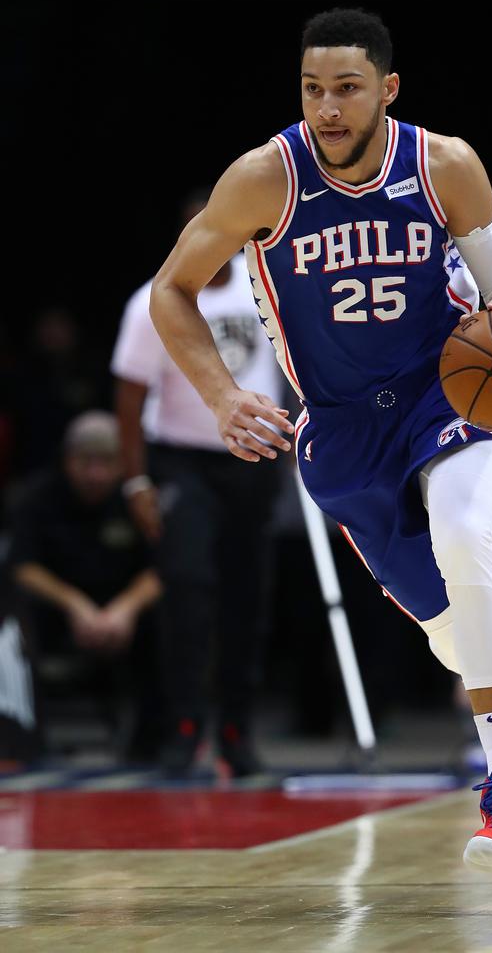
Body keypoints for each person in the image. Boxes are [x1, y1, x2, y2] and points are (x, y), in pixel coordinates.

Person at [149, 7, 492, 877]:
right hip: (340, 427)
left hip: (447, 389)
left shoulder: (444, 164)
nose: (327, 108)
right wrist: (222, 397)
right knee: (449, 630)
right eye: (312, 89)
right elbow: (170, 292)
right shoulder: (264, 178)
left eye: (346, 89)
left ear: (388, 90)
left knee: (462, 534)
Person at [112, 190, 283, 777]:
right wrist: (136, 482)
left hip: (254, 460)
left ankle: (237, 734)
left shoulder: (262, 286)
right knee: (186, 590)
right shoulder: (152, 303)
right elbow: (129, 398)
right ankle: (183, 731)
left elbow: (295, 364)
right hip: (181, 460)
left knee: (247, 598)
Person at [6, 411, 162, 759]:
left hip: (122, 613)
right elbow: (22, 568)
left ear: (124, 463)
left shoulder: (139, 501)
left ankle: (157, 740)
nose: (95, 473)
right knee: (17, 621)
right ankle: (26, 738)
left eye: (107, 462)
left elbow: (162, 570)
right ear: (67, 460)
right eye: (85, 461)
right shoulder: (37, 497)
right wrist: (76, 605)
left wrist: (125, 609)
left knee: (174, 615)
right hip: (58, 611)